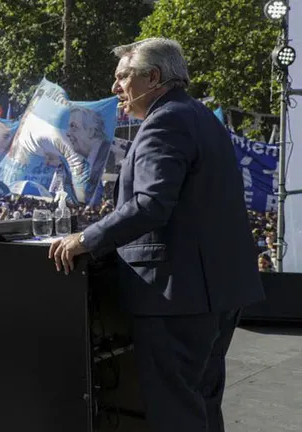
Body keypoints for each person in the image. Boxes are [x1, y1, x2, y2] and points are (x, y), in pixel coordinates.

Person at [48, 38, 265, 432]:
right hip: (216, 291)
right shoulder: (200, 116)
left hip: (176, 296)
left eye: (122, 77)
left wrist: (86, 239)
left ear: (153, 76)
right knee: (202, 404)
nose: (115, 87)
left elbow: (151, 204)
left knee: (175, 411)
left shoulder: (165, 122)